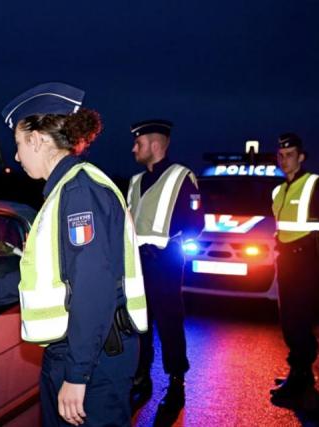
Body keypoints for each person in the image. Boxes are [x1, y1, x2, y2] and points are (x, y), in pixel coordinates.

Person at [0, 82, 147, 426]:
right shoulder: (64, 192)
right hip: (72, 352)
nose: (18, 156)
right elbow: (50, 278)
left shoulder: (80, 192)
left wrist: (78, 375)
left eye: (19, 145)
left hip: (93, 360)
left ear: (37, 139)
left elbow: (93, 289)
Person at [126, 119, 203, 412]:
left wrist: (168, 242)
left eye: (139, 143)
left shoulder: (181, 176)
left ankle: (176, 383)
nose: (134, 148)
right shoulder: (134, 181)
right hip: (137, 264)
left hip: (165, 261)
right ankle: (141, 379)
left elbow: (196, 222)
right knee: (140, 325)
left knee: (170, 323)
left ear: (155, 145)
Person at [269, 132, 319, 405]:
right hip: (286, 261)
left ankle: (302, 376)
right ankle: (297, 372)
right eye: (281, 156)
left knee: (300, 322)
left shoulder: (314, 184)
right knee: (288, 320)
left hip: (308, 262)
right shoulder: (278, 190)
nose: (285, 160)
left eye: (290, 155)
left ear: (301, 156)